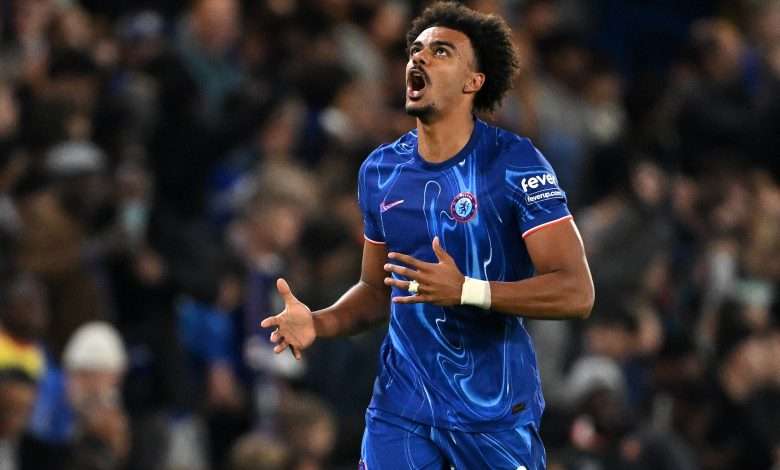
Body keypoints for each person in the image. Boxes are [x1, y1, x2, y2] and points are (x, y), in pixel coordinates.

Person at [261, 3, 594, 469]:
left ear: (474, 81)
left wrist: (466, 291)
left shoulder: (515, 163)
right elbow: (378, 290)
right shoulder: (380, 171)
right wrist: (320, 322)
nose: (419, 59)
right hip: (403, 412)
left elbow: (576, 291)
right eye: (415, 50)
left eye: (441, 51)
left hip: (493, 414)